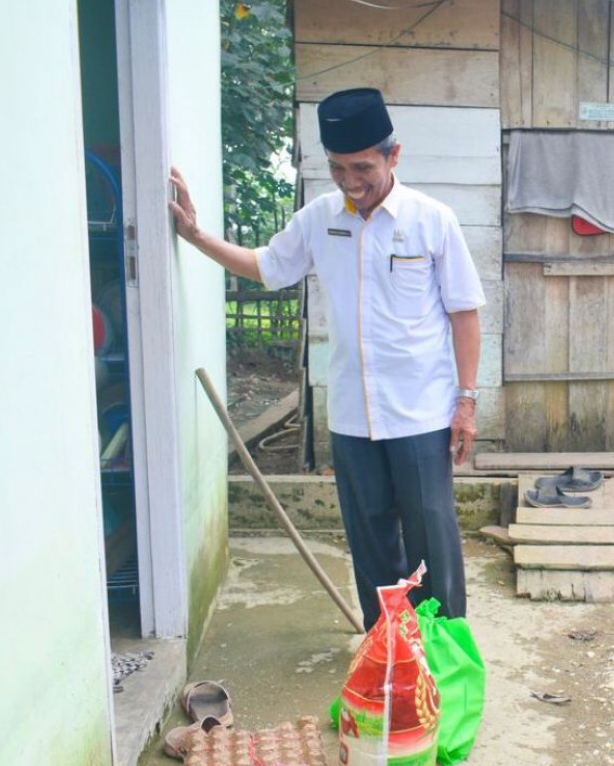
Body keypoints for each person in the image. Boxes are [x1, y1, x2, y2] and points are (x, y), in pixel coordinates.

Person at [170, 87, 484, 629]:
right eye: (338, 169)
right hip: (352, 415)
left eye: (362, 167)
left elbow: (464, 314)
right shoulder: (321, 218)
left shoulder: (432, 220)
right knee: (370, 540)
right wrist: (195, 236)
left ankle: (442, 650)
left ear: (394, 155)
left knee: (432, 535)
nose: (350, 181)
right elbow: (266, 266)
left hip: (421, 411)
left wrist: (466, 401)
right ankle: (384, 650)